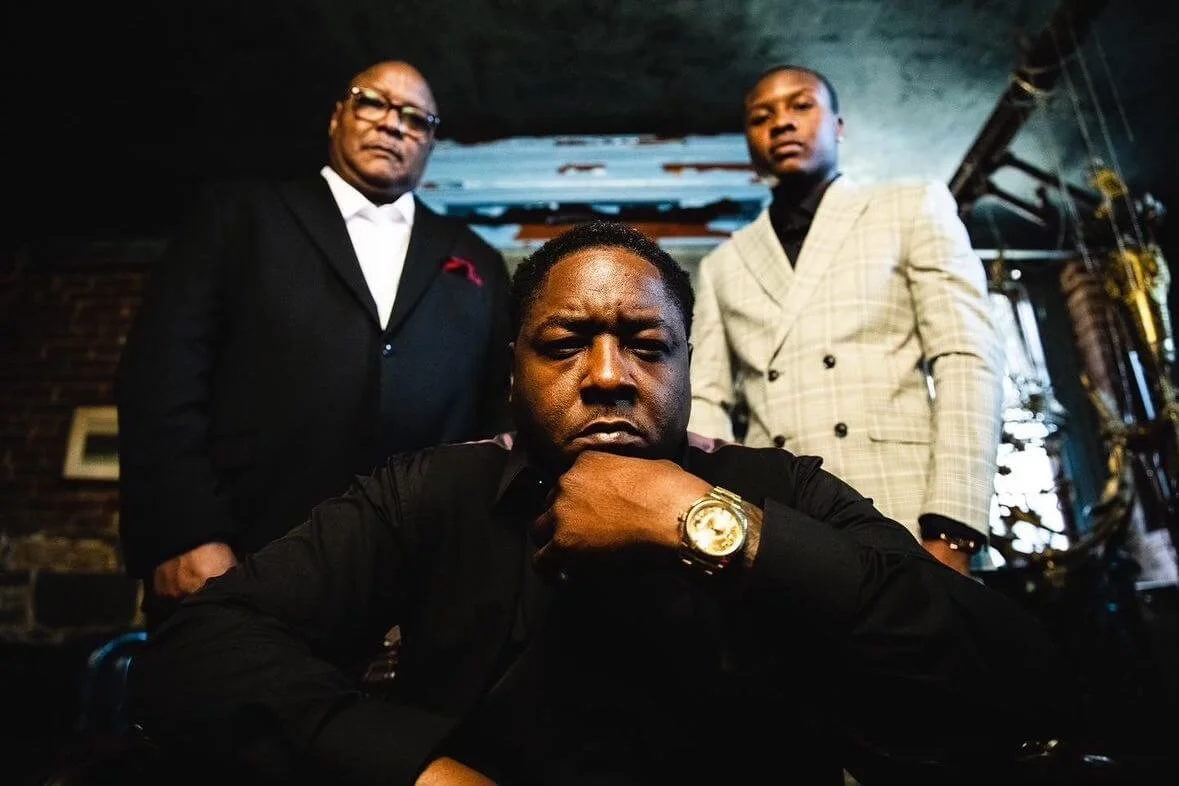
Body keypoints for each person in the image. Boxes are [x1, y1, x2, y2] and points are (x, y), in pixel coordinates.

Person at [125, 220, 1066, 785]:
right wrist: (411, 769)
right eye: (565, 343)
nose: (608, 375)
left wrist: (706, 524)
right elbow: (197, 654)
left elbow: (1007, 668)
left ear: (691, 367)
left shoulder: (780, 489)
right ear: (512, 371)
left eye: (648, 345)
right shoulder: (428, 492)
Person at [115, 60, 512, 630]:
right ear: (336, 117)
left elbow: (497, 405)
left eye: (415, 118)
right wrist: (183, 532)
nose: (393, 124)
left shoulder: (476, 258)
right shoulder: (237, 216)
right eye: (372, 102)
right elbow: (162, 376)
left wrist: (475, 555)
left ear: (429, 144)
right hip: (243, 557)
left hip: (420, 581)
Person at [688, 65, 1005, 576]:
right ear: (749, 140)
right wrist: (720, 521)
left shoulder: (909, 206)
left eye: (801, 105)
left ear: (837, 124)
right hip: (779, 525)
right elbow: (705, 400)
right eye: (761, 116)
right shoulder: (724, 263)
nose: (781, 123)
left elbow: (967, 355)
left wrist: (954, 524)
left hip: (906, 509)